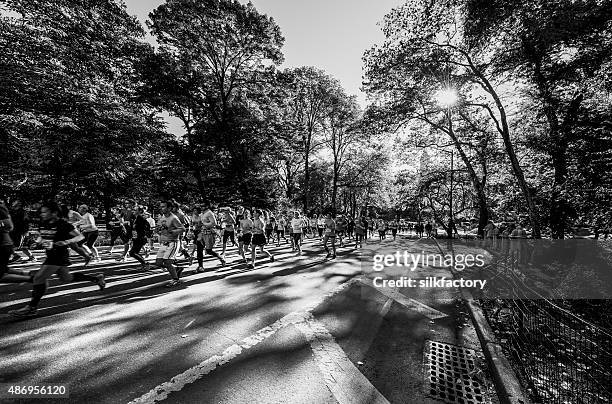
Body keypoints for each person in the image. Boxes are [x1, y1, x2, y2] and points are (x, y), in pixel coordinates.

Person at [9, 201, 105, 318]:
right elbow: (42, 236)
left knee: (39, 278)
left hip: (59, 255)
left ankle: (31, 308)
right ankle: (96, 278)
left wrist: (66, 242)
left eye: (45, 212)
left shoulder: (63, 224)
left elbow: (80, 237)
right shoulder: (43, 223)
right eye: (41, 212)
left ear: (54, 213)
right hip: (50, 255)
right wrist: (37, 242)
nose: (42, 214)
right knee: (66, 278)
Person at [155, 200, 185, 287]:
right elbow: (159, 229)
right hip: (164, 243)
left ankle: (175, 280)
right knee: (158, 263)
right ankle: (177, 269)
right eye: (161, 207)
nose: (161, 208)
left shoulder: (174, 218)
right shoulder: (162, 217)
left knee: (167, 262)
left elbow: (182, 229)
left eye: (163, 206)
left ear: (169, 208)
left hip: (172, 243)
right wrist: (157, 230)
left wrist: (171, 231)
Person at [199, 200, 226, 269]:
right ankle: (200, 266)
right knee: (199, 249)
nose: (201, 207)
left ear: (207, 206)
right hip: (202, 233)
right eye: (201, 205)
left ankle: (220, 257)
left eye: (203, 206)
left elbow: (214, 223)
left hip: (209, 233)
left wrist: (204, 224)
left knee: (208, 251)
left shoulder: (209, 213)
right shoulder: (202, 214)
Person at [129, 206, 151, 271]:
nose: (133, 211)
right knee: (135, 252)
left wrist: (142, 234)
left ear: (140, 211)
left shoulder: (141, 218)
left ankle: (145, 264)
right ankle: (144, 264)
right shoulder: (136, 218)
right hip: (136, 238)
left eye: (135, 210)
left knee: (132, 253)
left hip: (140, 238)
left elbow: (147, 226)